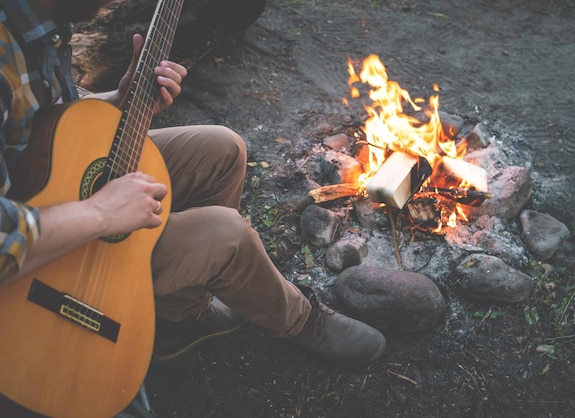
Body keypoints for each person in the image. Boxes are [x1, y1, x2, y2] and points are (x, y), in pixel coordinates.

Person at [0, 0, 385, 367]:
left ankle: (176, 319)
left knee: (221, 150)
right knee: (226, 235)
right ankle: (300, 322)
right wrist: (100, 212)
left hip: (53, 184)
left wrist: (119, 97)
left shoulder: (40, 23)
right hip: (41, 266)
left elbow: (44, 117)